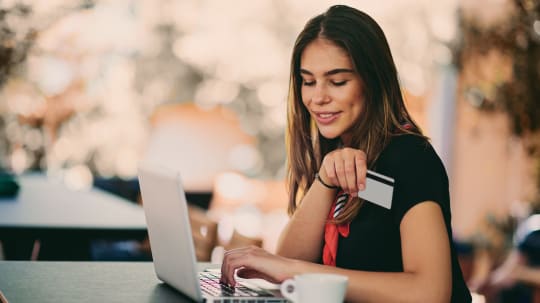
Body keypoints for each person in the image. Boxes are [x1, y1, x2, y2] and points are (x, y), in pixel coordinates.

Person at [220, 5, 471, 302]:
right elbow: (285, 262)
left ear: (374, 82)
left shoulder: (411, 158)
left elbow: (430, 292)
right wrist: (325, 179)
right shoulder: (339, 154)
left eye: (338, 81)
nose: (318, 97)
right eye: (308, 81)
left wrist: (294, 270)